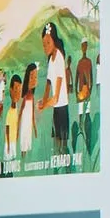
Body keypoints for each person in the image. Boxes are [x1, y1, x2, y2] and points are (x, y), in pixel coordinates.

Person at [42, 22, 71, 165]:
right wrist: (43, 100)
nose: (45, 47)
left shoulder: (59, 57)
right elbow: (48, 83)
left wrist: (44, 105)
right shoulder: (50, 60)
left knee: (63, 147)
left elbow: (56, 97)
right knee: (56, 146)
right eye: (43, 44)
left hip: (62, 107)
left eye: (48, 42)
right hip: (55, 109)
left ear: (54, 40)